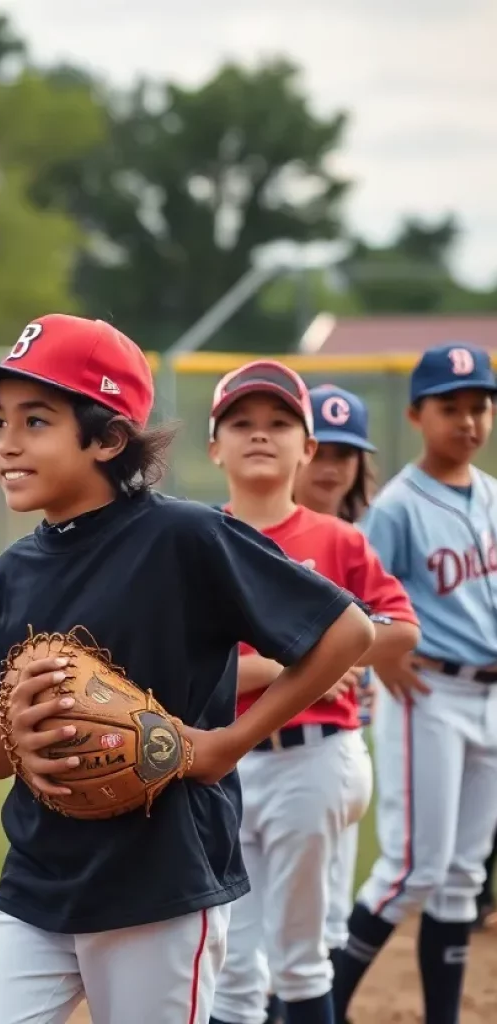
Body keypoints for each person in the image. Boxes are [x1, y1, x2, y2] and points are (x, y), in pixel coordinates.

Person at [0, 315, 374, 1024]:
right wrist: (12, 726)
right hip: (37, 885)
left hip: (162, 883)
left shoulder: (185, 538)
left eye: (37, 420)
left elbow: (346, 630)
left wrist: (226, 744)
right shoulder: (14, 571)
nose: (7, 444)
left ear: (109, 439)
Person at [205, 362, 419, 1024]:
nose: (260, 435)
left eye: (279, 423)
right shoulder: (194, 538)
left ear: (307, 447)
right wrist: (305, 661)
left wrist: (344, 651)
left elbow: (401, 629)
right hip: (221, 763)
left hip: (312, 757)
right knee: (232, 963)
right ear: (214, 448)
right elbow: (181, 668)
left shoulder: (336, 539)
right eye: (241, 423)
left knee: (300, 955)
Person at [332, 343, 497, 1024]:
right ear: (417, 415)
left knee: (461, 878)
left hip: (489, 696)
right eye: (449, 408)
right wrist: (380, 656)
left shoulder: (491, 496)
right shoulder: (398, 506)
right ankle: (314, 1009)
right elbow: (355, 600)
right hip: (425, 694)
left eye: (478, 407)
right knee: (409, 871)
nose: (467, 421)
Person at [295, 384, 381, 962]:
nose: (330, 467)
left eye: (343, 455)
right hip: (264, 748)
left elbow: (398, 626)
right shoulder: (259, 538)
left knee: (322, 921)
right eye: (321, 451)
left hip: (341, 742)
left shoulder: (361, 543)